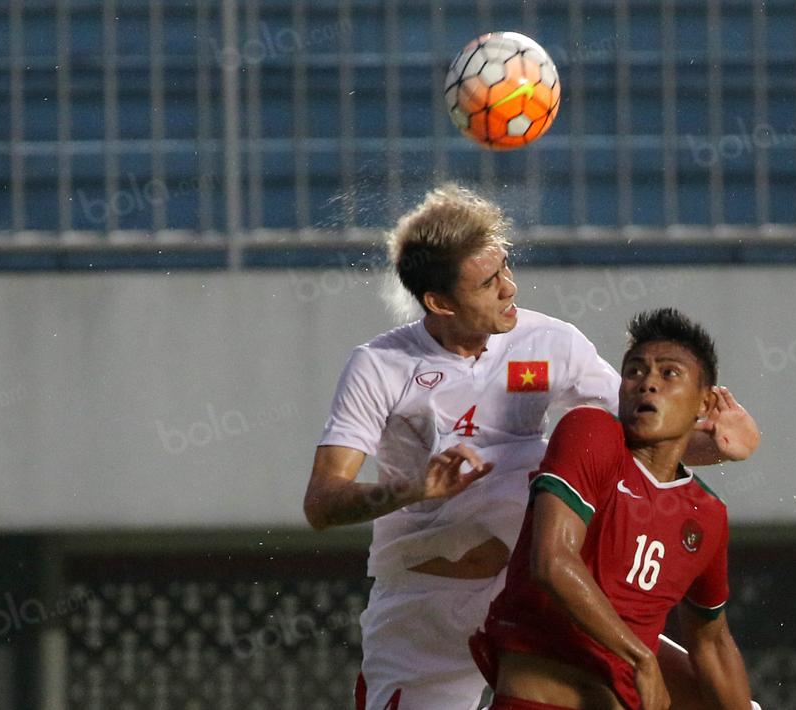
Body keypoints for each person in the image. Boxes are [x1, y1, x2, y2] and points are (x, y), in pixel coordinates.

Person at [303, 185, 760, 710]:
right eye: (489, 282)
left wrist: (718, 444)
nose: (510, 288)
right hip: (425, 606)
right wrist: (414, 487)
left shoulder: (551, 342)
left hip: (538, 591)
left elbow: (642, 438)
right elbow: (322, 503)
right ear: (440, 302)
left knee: (720, 699)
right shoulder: (379, 366)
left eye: (505, 269)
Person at [470, 308, 755, 710]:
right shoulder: (592, 433)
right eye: (635, 371)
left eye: (669, 373)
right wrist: (641, 659)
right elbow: (551, 562)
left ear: (704, 403)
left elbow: (711, 642)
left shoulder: (707, 515)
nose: (647, 383)